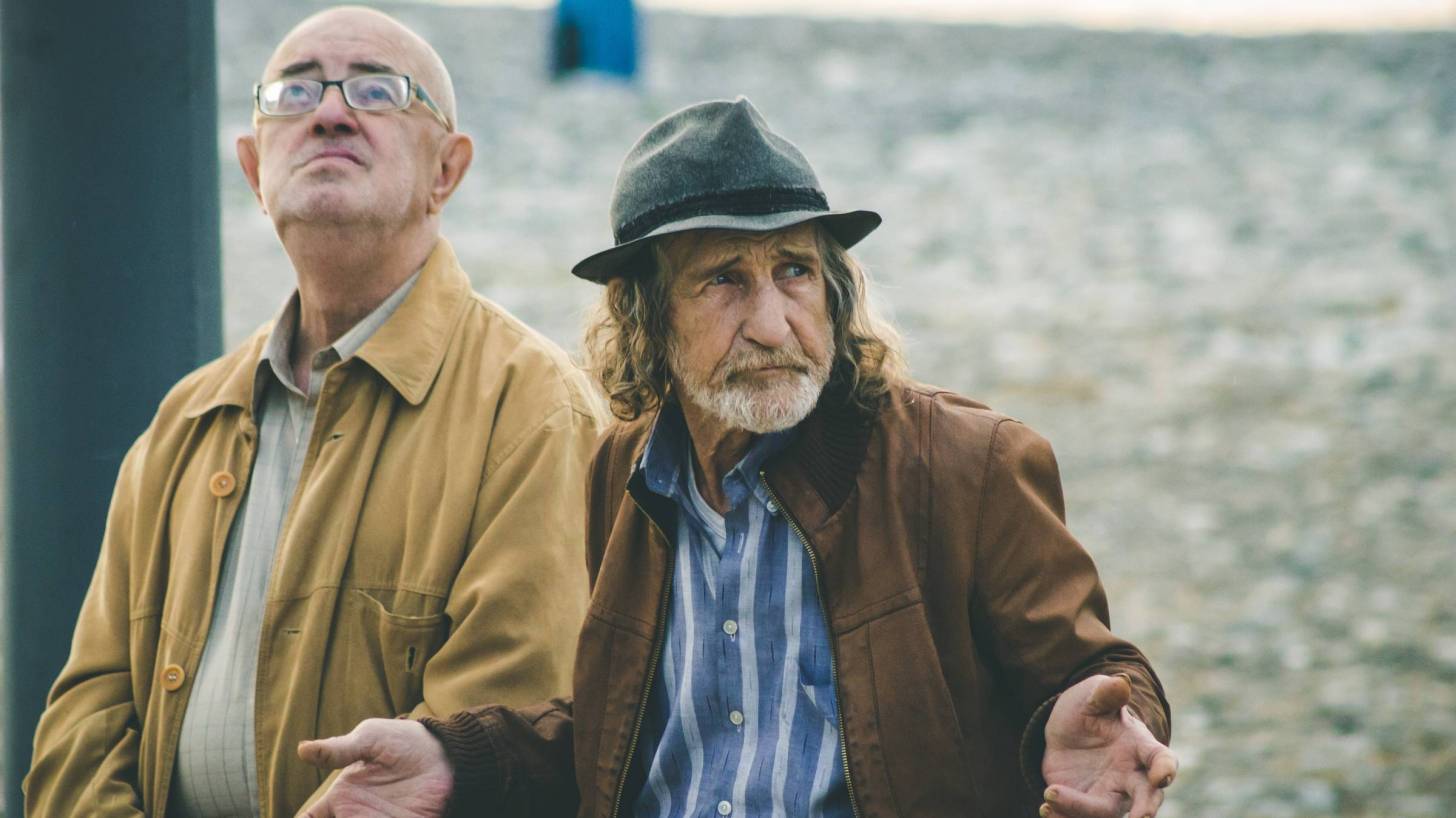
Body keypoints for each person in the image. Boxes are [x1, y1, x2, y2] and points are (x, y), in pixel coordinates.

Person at [299, 97, 1178, 818]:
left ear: (834, 294)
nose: (770, 321)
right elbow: (627, 732)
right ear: (647, 318)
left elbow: (1096, 678)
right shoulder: (625, 472)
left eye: (793, 270)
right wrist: (452, 757)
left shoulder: (970, 464)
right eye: (724, 278)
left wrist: (1101, 719)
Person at [24, 7, 608, 816]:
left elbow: (505, 736)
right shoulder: (184, 423)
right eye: (294, 94)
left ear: (448, 170)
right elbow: (83, 719)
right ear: (254, 170)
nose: (330, 111)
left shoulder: (532, 410)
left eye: (376, 89)